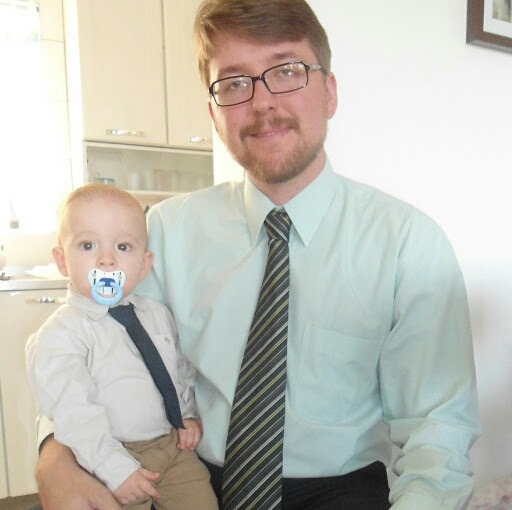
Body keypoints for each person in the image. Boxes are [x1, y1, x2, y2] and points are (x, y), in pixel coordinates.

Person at [30, 0, 480, 509]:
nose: (262, 102)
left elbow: (437, 431)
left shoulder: (409, 245)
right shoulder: (163, 233)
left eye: (287, 71)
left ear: (329, 92)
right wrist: (53, 451)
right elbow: (90, 345)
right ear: (213, 113)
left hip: (341, 490)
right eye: (234, 82)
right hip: (189, 482)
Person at [25, 183, 218, 510]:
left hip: (173, 449)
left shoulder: (156, 315)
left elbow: (178, 369)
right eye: (87, 245)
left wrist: (186, 414)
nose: (107, 259)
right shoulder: (60, 334)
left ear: (144, 265)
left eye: (123, 246)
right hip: (109, 457)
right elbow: (73, 413)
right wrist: (114, 468)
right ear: (61, 260)